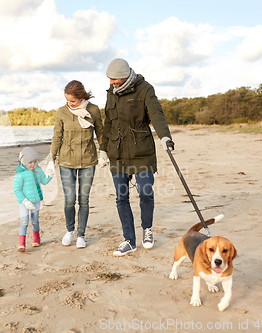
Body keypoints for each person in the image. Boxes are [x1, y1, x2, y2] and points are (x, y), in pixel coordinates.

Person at [99, 58, 174, 256]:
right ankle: (129, 240)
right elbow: (108, 123)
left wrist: (165, 136)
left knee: (145, 193)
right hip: (118, 154)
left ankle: (147, 229)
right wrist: (103, 149)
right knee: (121, 198)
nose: (111, 83)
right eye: (109, 79)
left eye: (114, 79)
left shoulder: (145, 89)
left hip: (142, 152)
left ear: (125, 76)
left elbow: (156, 114)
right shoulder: (110, 94)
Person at [49, 80, 106, 248]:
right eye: (67, 100)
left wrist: (104, 152)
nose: (70, 104)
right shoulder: (62, 112)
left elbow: (101, 133)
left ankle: (81, 235)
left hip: (88, 161)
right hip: (66, 162)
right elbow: (56, 137)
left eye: (73, 101)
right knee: (69, 199)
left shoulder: (93, 110)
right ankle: (69, 230)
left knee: (84, 200)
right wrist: (51, 160)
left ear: (81, 97)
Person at [13, 147, 54, 252]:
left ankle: (36, 239)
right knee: (24, 221)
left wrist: (49, 175)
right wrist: (25, 201)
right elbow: (17, 190)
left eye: (35, 161)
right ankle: (22, 243)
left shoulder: (38, 170)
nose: (33, 164)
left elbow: (44, 181)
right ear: (24, 162)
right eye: (30, 162)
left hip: (36, 201)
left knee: (35, 221)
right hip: (24, 202)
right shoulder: (20, 174)